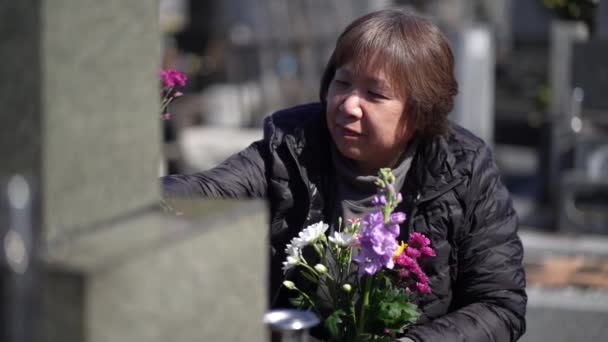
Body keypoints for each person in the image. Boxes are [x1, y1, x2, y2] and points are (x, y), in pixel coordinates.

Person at [163, 9, 527, 342]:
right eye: (342, 83)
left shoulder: (463, 169)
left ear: (419, 112)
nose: (349, 105)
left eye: (374, 94)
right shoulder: (294, 145)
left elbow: (499, 306)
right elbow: (207, 191)